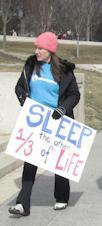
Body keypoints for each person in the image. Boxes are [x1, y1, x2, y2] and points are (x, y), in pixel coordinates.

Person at [9, 32, 80, 216]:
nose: (36, 51)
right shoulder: (30, 65)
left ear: (50, 50)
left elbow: (74, 95)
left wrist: (63, 109)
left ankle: (62, 197)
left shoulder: (64, 70)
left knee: (59, 161)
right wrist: (23, 98)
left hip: (57, 121)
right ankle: (22, 204)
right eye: (36, 47)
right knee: (30, 162)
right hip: (36, 121)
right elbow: (19, 87)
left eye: (40, 48)